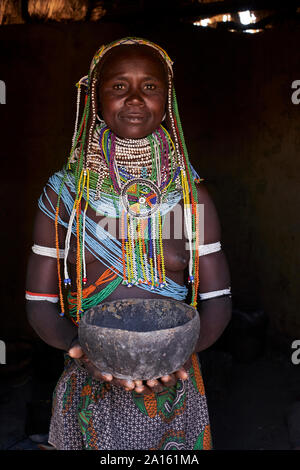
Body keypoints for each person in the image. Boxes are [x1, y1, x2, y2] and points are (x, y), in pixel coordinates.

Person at [25, 37, 232, 450]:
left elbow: (219, 302)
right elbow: (38, 303)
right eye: (119, 86)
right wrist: (81, 349)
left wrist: (174, 359)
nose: (135, 98)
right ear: (96, 97)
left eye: (150, 86)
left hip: (178, 391)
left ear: (167, 99)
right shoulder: (65, 197)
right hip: (89, 390)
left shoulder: (191, 198)